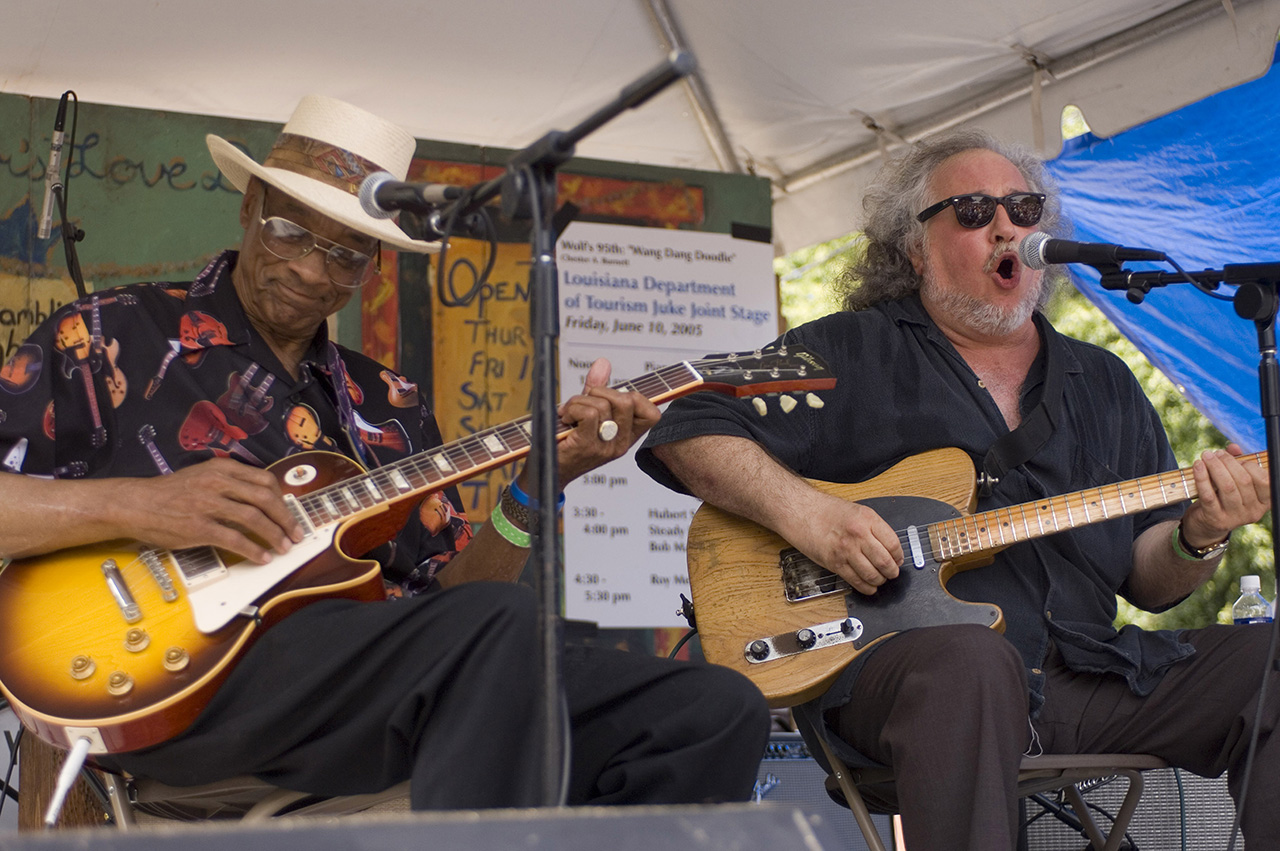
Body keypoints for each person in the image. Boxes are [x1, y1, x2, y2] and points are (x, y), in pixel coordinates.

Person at [0, 95, 769, 810]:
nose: (310, 269)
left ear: (373, 266)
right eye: (291, 232)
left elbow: (451, 598)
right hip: (186, 683)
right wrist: (144, 504)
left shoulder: (389, 401)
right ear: (248, 207)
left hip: (371, 702)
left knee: (712, 708)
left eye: (345, 254)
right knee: (496, 622)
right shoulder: (112, 332)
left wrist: (540, 484)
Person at [636, 127, 1272, 848]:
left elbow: (1149, 579)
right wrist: (811, 516)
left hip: (1089, 677)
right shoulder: (850, 350)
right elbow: (688, 424)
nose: (1007, 225)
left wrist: (1202, 534)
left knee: (1270, 663)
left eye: (1024, 208)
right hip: (904, 681)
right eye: (973, 211)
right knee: (969, 658)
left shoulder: (1104, 382)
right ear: (914, 247)